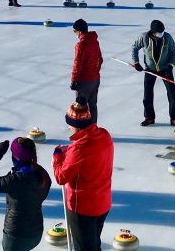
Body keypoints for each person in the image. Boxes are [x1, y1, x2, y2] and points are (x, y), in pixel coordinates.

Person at [53, 96, 113, 251]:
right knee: (94, 243)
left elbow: (61, 177)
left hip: (84, 207)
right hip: (103, 202)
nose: (68, 128)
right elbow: (90, 155)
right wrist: (70, 151)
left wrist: (57, 157)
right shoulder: (104, 135)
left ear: (77, 125)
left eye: (70, 124)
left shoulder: (79, 148)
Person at [0, 138, 52, 251]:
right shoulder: (41, 173)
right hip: (36, 232)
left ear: (16, 157)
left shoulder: (15, 180)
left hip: (16, 237)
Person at [131, 20, 175, 126]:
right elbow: (134, 47)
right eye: (159, 33)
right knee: (147, 94)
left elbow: (174, 51)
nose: (161, 34)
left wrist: (170, 66)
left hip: (165, 69)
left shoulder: (167, 38)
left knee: (172, 93)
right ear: (153, 32)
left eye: (162, 32)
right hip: (150, 69)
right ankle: (149, 117)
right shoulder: (144, 37)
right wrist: (136, 62)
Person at [70, 19, 103, 122]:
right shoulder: (95, 42)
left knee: (80, 106)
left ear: (79, 31)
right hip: (95, 79)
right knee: (92, 105)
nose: (74, 33)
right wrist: (95, 72)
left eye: (74, 31)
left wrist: (74, 80)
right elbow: (100, 59)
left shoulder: (81, 45)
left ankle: (82, 131)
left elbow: (78, 64)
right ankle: (93, 129)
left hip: (84, 81)